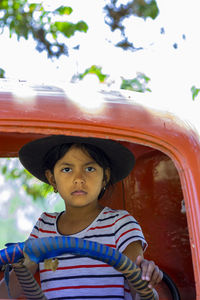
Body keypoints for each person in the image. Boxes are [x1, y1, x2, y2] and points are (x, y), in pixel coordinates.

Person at [0, 135, 163, 299]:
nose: (78, 178)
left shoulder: (120, 224)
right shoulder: (44, 225)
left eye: (90, 169)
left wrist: (146, 279)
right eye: (67, 169)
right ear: (52, 179)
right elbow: (14, 285)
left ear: (104, 177)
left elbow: (140, 292)